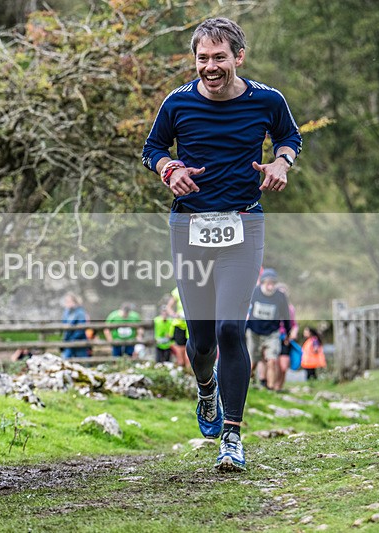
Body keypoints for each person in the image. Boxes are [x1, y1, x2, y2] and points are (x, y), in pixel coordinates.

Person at [142, 17, 302, 472]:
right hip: (189, 229)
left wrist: (281, 163)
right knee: (201, 341)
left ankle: (232, 436)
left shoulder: (267, 100)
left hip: (243, 226)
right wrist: (169, 169)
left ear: (238, 57)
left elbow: (290, 137)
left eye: (219, 58)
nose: (210, 67)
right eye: (202, 59)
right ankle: (206, 387)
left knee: (233, 328)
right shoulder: (178, 102)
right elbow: (152, 148)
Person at [246, 269, 291, 393]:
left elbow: (286, 316)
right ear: (262, 283)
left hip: (272, 333)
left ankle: (270, 389)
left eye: (273, 283)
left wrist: (288, 332)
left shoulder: (280, 296)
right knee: (252, 361)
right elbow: (244, 310)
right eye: (268, 283)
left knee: (272, 360)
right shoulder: (254, 293)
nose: (270, 286)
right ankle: (246, 384)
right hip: (254, 331)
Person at [274, 282, 298, 391]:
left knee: (283, 366)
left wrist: (293, 332)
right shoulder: (272, 306)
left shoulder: (290, 308)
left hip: (285, 338)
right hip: (272, 337)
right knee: (274, 364)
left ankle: (279, 386)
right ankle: (273, 387)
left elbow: (294, 324)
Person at [60, 292, 89, 359]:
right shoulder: (66, 312)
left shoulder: (80, 312)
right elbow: (64, 325)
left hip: (79, 341)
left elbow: (81, 328)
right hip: (68, 341)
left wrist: (73, 339)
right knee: (65, 361)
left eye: (69, 301)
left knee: (82, 362)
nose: (67, 303)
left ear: (74, 302)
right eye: (66, 301)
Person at [166, 287, 189, 368]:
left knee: (190, 349)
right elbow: (168, 307)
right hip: (179, 324)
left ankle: (189, 371)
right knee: (180, 349)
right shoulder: (177, 290)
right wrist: (175, 315)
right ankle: (182, 370)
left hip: (191, 324)